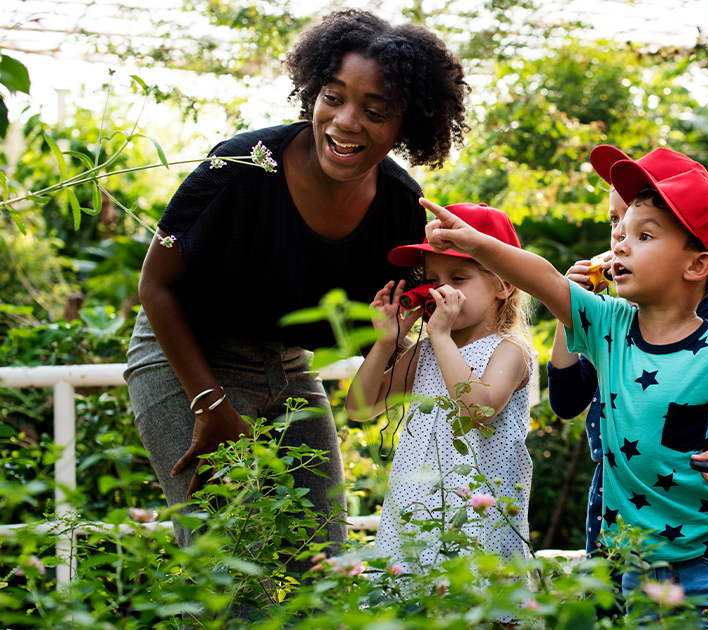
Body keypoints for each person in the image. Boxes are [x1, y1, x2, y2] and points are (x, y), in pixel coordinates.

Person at [125, 9, 469, 565]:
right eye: (333, 96)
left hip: (285, 364)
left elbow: (384, 338)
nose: (346, 121)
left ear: (407, 124)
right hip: (184, 355)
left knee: (323, 565)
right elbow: (156, 286)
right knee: (228, 567)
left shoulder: (402, 207)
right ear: (312, 90)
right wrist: (209, 404)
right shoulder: (238, 168)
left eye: (375, 110)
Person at [419, 149, 708, 629]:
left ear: (696, 265)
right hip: (638, 559)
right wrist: (478, 244)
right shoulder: (608, 323)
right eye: (622, 230)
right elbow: (545, 279)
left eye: (643, 235)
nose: (621, 244)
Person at [546, 145, 708, 562]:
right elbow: (565, 401)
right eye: (615, 221)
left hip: (681, 497)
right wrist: (571, 308)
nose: (618, 236)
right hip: (615, 484)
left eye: (641, 230)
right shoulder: (609, 314)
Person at [347, 203, 534, 569]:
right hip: (415, 515)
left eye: (458, 278)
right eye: (432, 280)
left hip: (478, 523)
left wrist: (440, 337)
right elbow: (360, 407)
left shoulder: (510, 350)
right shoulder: (428, 348)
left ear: (504, 284)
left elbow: (476, 410)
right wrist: (386, 343)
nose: (439, 290)